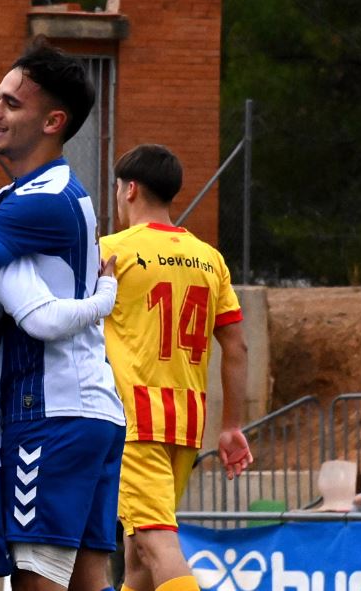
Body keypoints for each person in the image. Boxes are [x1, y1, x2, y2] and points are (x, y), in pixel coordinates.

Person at [0, 39, 126, 591]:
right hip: (89, 410)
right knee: (89, 579)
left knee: (38, 583)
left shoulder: (36, 200)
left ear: (53, 121)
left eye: (12, 104)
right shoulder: (52, 193)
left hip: (51, 414)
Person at [100, 144, 254, 591]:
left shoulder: (112, 252)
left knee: (155, 544)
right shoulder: (210, 259)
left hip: (136, 417)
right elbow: (237, 345)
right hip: (187, 422)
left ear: (129, 190)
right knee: (137, 560)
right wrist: (232, 426)